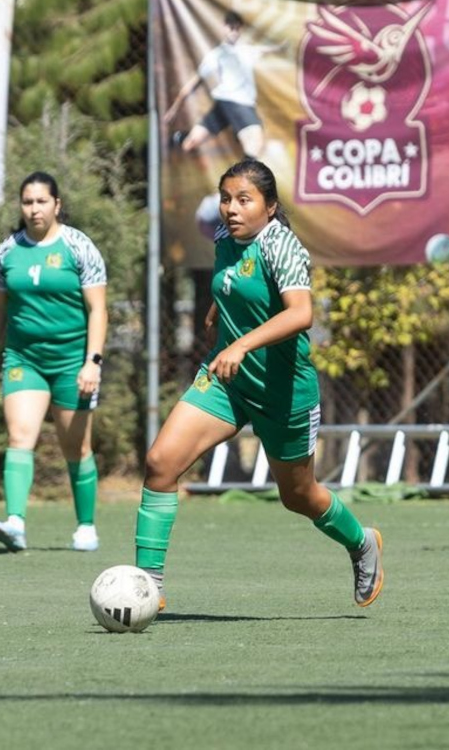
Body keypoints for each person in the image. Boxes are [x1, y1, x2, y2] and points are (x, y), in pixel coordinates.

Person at [133, 158, 384, 611]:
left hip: (283, 390)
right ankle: (147, 586)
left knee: (298, 495)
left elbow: (300, 314)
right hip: (226, 381)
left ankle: (361, 541)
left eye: (244, 200)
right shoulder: (225, 236)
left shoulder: (281, 245)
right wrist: (216, 310)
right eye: (226, 198)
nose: (231, 208)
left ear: (269, 207)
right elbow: (233, 284)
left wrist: (241, 344)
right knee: (160, 463)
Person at [0, 171, 109, 553]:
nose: (34, 209)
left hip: (72, 361)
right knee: (20, 435)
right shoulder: (7, 252)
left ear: (57, 205)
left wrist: (92, 362)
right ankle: (15, 521)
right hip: (23, 359)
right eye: (27, 202)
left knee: (76, 448)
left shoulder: (79, 247)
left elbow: (98, 309)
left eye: (41, 201)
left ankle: (86, 526)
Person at [163, 11, 285, 160]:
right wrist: (175, 108)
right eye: (231, 27)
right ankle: (241, 180)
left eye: (237, 28)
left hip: (224, 106)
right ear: (224, 28)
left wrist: (283, 46)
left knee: (189, 144)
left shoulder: (247, 50)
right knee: (255, 141)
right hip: (236, 103)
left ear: (241, 29)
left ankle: (178, 137)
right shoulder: (216, 55)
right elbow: (195, 82)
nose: (234, 32)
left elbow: (268, 49)